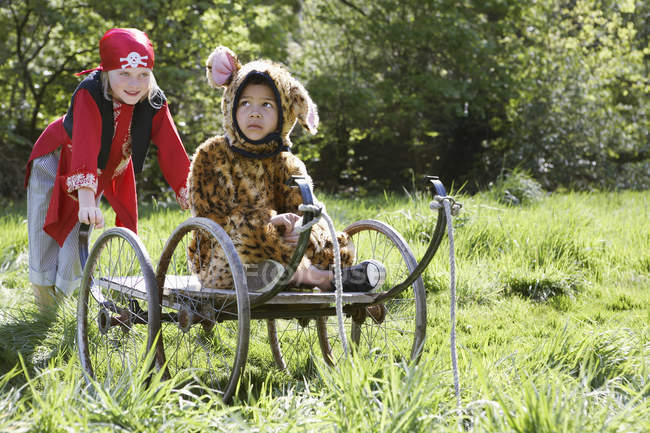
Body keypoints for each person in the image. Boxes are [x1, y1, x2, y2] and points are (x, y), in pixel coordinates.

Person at [188, 46, 386, 293]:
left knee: (329, 240)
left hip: (279, 250)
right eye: (245, 103)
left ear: (284, 113)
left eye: (267, 106)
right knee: (251, 235)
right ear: (231, 107)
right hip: (223, 256)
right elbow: (212, 216)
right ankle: (319, 279)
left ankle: (294, 273)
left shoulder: (286, 162)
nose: (255, 113)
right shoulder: (213, 154)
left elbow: (304, 205)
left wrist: (302, 227)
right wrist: (271, 222)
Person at [25, 28, 191, 313]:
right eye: (124, 74)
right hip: (58, 160)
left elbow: (172, 147)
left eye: (143, 74)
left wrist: (188, 190)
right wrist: (87, 200)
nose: (134, 83)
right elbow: (86, 143)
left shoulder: (152, 100)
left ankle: (67, 309)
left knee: (76, 238)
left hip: (98, 172)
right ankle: (43, 309)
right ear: (107, 72)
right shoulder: (90, 92)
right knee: (46, 230)